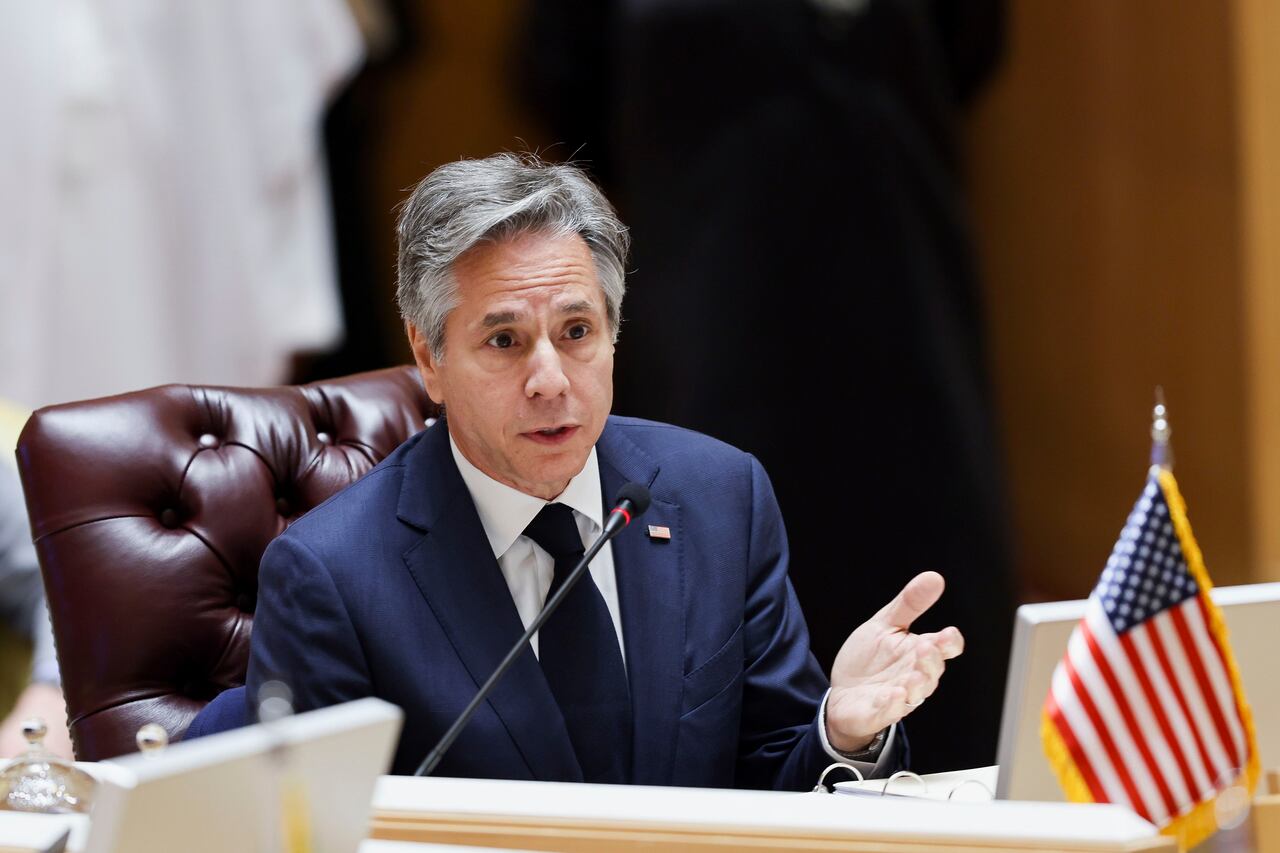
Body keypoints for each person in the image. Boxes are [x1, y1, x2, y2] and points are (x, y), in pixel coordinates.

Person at [193, 153, 963, 788]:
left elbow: (772, 785)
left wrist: (841, 731)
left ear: (613, 333)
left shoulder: (721, 499)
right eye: (504, 341)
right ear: (429, 356)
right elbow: (315, 834)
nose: (550, 379)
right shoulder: (332, 577)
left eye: (576, 331)